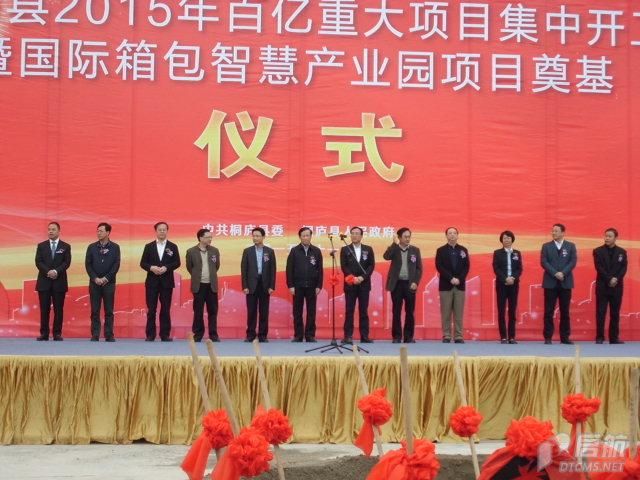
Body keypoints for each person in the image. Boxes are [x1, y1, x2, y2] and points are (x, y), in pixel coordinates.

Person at [140, 222, 181, 342]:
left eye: (164, 229)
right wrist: (151, 267)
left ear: (167, 231)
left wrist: (166, 268)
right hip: (152, 282)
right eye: (160, 229)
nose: (162, 231)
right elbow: (143, 263)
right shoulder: (149, 246)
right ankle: (150, 335)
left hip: (166, 282)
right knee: (151, 310)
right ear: (156, 231)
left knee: (165, 309)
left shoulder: (173, 246)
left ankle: (165, 335)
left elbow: (177, 262)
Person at [383, 227, 422, 343]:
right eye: (405, 237)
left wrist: (415, 282)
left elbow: (419, 268)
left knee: (410, 312)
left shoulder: (415, 250)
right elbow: (386, 257)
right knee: (396, 311)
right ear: (399, 238)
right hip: (397, 284)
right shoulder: (394, 249)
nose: (407, 239)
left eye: (409, 236)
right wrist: (393, 244)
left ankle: (408, 337)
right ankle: (396, 336)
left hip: (410, 284)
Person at [540, 223, 577, 344]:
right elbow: (544, 262)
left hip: (565, 283)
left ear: (563, 233)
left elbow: (572, 262)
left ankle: (565, 337)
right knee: (548, 311)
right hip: (550, 282)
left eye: (556, 231)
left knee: (565, 311)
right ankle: (548, 337)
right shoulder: (546, 246)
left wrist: (563, 273)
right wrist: (555, 273)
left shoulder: (570, 246)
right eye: (553, 231)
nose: (553, 233)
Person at [35, 222, 71, 341]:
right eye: (49, 229)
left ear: (59, 231)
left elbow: (66, 263)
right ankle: (44, 333)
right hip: (44, 282)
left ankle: (57, 333)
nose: (50, 231)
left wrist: (56, 271)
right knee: (44, 309)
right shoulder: (41, 246)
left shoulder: (65, 246)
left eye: (53, 229)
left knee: (58, 309)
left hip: (59, 282)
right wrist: (48, 272)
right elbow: (38, 262)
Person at [85, 222, 121, 342]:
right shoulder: (91, 247)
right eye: (97, 231)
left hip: (109, 283)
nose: (98, 233)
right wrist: (95, 278)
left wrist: (106, 278)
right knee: (95, 310)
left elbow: (116, 265)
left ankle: (109, 334)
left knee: (109, 310)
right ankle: (95, 334)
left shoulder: (115, 247)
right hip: (94, 283)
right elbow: (88, 265)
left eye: (101, 231)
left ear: (108, 232)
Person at [286, 227, 323, 342]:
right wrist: (290, 285)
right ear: (300, 237)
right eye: (304, 236)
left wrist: (319, 285)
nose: (306, 237)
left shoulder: (316, 251)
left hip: (312, 286)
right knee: (297, 311)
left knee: (311, 311)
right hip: (298, 286)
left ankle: (310, 335)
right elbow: (289, 269)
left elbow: (320, 270)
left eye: (308, 235)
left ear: (311, 236)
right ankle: (298, 335)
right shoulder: (294, 251)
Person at [340, 226, 375, 344]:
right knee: (349, 310)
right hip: (350, 284)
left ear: (361, 236)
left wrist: (362, 277)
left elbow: (371, 266)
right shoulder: (345, 249)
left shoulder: (368, 249)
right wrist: (353, 278)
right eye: (352, 233)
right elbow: (344, 266)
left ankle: (364, 336)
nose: (354, 235)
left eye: (357, 233)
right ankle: (347, 336)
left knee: (363, 311)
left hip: (364, 284)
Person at [435, 227, 470, 344]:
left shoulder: (463, 250)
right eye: (450, 233)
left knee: (459, 313)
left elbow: (466, 267)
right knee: (445, 313)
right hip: (446, 285)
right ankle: (446, 335)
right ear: (446, 236)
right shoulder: (441, 250)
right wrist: (451, 278)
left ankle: (459, 336)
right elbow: (439, 266)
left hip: (460, 286)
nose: (452, 235)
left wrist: (459, 279)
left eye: (454, 233)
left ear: (457, 235)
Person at [241, 227, 276, 343]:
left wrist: (272, 286)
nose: (255, 238)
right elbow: (244, 270)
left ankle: (262, 335)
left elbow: (272, 270)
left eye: (257, 236)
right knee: (251, 311)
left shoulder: (269, 251)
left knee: (264, 311)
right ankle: (250, 335)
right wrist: (245, 286)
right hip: (251, 285)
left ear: (263, 237)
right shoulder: (247, 251)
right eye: (254, 236)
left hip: (265, 284)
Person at [593, 228, 627, 344]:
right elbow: (599, 268)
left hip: (617, 286)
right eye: (606, 236)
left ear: (615, 238)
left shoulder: (622, 252)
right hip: (602, 286)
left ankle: (614, 337)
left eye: (609, 236)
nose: (607, 238)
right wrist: (609, 279)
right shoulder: (598, 251)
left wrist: (616, 278)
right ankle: (600, 337)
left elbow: (623, 268)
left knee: (615, 313)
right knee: (601, 312)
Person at [185, 228, 220, 342]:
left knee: (213, 311)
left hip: (211, 285)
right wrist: (198, 276)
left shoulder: (214, 251)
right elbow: (190, 267)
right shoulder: (191, 251)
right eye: (207, 237)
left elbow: (216, 266)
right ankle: (198, 334)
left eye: (211, 237)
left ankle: (213, 335)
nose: (210, 239)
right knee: (198, 312)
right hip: (198, 285)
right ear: (200, 238)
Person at [492, 230, 522, 344]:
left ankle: (512, 337)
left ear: (512, 239)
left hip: (514, 284)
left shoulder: (517, 253)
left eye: (509, 238)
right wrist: (505, 279)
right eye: (505, 238)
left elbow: (519, 269)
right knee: (501, 310)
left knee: (512, 311)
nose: (507, 240)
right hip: (502, 284)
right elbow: (496, 268)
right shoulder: (497, 253)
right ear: (501, 240)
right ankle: (503, 336)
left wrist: (513, 278)